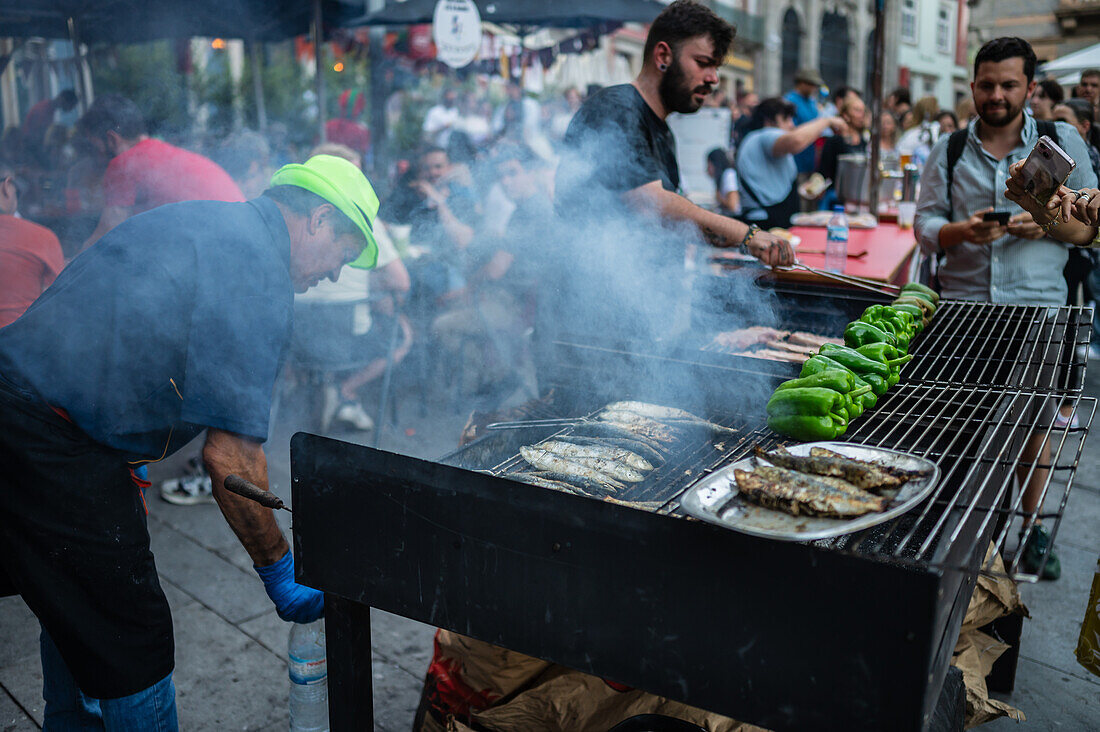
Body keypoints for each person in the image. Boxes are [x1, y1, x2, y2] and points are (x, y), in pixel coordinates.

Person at [0, 154, 381, 728]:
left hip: (21, 405)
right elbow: (230, 459)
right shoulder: (258, 270)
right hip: (51, 442)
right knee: (132, 638)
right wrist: (280, 570)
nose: (333, 274)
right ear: (318, 219)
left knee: (75, 600)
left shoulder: (204, 221)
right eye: (342, 256)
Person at [914, 36, 1099, 581]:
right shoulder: (948, 149)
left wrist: (1041, 217)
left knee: (1033, 425)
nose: (996, 94)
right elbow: (925, 227)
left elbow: (1089, 230)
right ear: (973, 86)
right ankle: (969, 527)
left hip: (1037, 307)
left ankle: (1033, 525)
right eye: (987, 84)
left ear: (1030, 88)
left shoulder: (1060, 139)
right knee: (964, 426)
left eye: (1008, 84)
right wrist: (961, 231)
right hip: (964, 311)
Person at [553, 0, 793, 340]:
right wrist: (747, 235)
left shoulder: (662, 129)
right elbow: (651, 202)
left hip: (635, 316)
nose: (713, 79)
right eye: (703, 63)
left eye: (716, 68)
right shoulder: (617, 109)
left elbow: (672, 220)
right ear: (663, 56)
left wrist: (739, 250)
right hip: (588, 322)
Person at [77, 94, 244, 249]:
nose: (94, 155)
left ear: (111, 139)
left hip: (223, 250)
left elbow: (107, 234)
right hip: (245, 241)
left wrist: (68, 268)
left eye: (94, 145)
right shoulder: (165, 154)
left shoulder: (124, 164)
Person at [736, 96, 845, 229]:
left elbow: (771, 187)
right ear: (768, 122)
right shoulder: (764, 136)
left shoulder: (761, 142)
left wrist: (806, 190)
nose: (791, 125)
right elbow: (796, 141)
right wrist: (826, 121)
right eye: (786, 119)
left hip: (777, 222)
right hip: (763, 225)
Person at [0, 161, 65, 327]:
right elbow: (61, 298)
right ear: (7, 187)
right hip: (19, 345)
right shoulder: (42, 237)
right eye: (17, 189)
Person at [817, 93, 869, 206]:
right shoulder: (834, 141)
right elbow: (823, 173)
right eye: (857, 110)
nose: (862, 115)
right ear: (845, 115)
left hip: (858, 198)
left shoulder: (864, 141)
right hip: (836, 199)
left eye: (863, 111)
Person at [783, 68, 825, 176]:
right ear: (801, 83)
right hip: (795, 162)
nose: (814, 88)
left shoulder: (811, 102)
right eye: (812, 84)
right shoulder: (789, 101)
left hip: (810, 159)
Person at [22, 89, 78, 164]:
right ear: (62, 99)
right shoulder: (43, 109)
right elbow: (38, 134)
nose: (70, 109)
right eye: (71, 105)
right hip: (30, 149)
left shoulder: (49, 109)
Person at [706, 147, 739, 214]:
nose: (707, 169)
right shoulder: (722, 179)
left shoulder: (729, 175)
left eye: (709, 165)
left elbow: (733, 206)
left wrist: (719, 198)